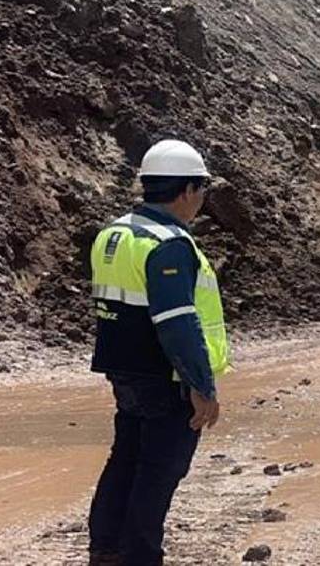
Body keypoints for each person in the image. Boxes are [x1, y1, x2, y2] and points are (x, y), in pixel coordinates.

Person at [86, 139, 231, 566]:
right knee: (158, 473)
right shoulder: (168, 244)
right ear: (186, 190)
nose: (202, 201)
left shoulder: (114, 233)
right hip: (166, 377)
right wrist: (201, 386)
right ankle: (140, 557)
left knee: (125, 461)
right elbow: (178, 323)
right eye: (202, 190)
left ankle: (106, 550)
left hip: (124, 370)